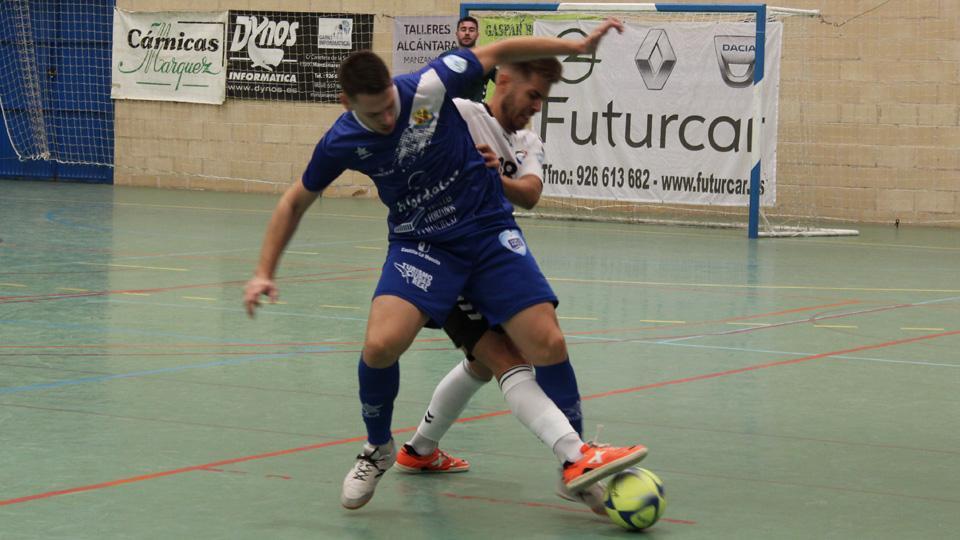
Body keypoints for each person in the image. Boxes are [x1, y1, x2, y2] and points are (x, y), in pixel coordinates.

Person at [242, 18, 647, 511]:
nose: (390, 119)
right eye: (376, 115)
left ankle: (575, 465)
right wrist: (265, 270)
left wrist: (578, 45)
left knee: (548, 341)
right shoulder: (341, 142)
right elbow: (294, 203)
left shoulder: (430, 86)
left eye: (392, 105)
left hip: (486, 231)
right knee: (380, 345)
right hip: (421, 243)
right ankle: (378, 448)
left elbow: (499, 49)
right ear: (349, 105)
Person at [391, 57, 608, 514]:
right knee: (511, 358)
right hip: (444, 256)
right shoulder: (461, 114)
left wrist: (497, 176)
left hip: (496, 252)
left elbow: (530, 192)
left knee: (513, 353)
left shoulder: (527, 140)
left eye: (542, 101)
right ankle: (576, 460)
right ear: (503, 80)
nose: (535, 107)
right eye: (532, 95)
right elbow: (411, 108)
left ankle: (419, 450)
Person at [439, 16, 495, 102]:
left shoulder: (485, 58)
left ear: (477, 35)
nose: (467, 33)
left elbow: (503, 82)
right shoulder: (445, 58)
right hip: (451, 112)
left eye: (471, 30)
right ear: (457, 34)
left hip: (476, 112)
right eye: (463, 29)